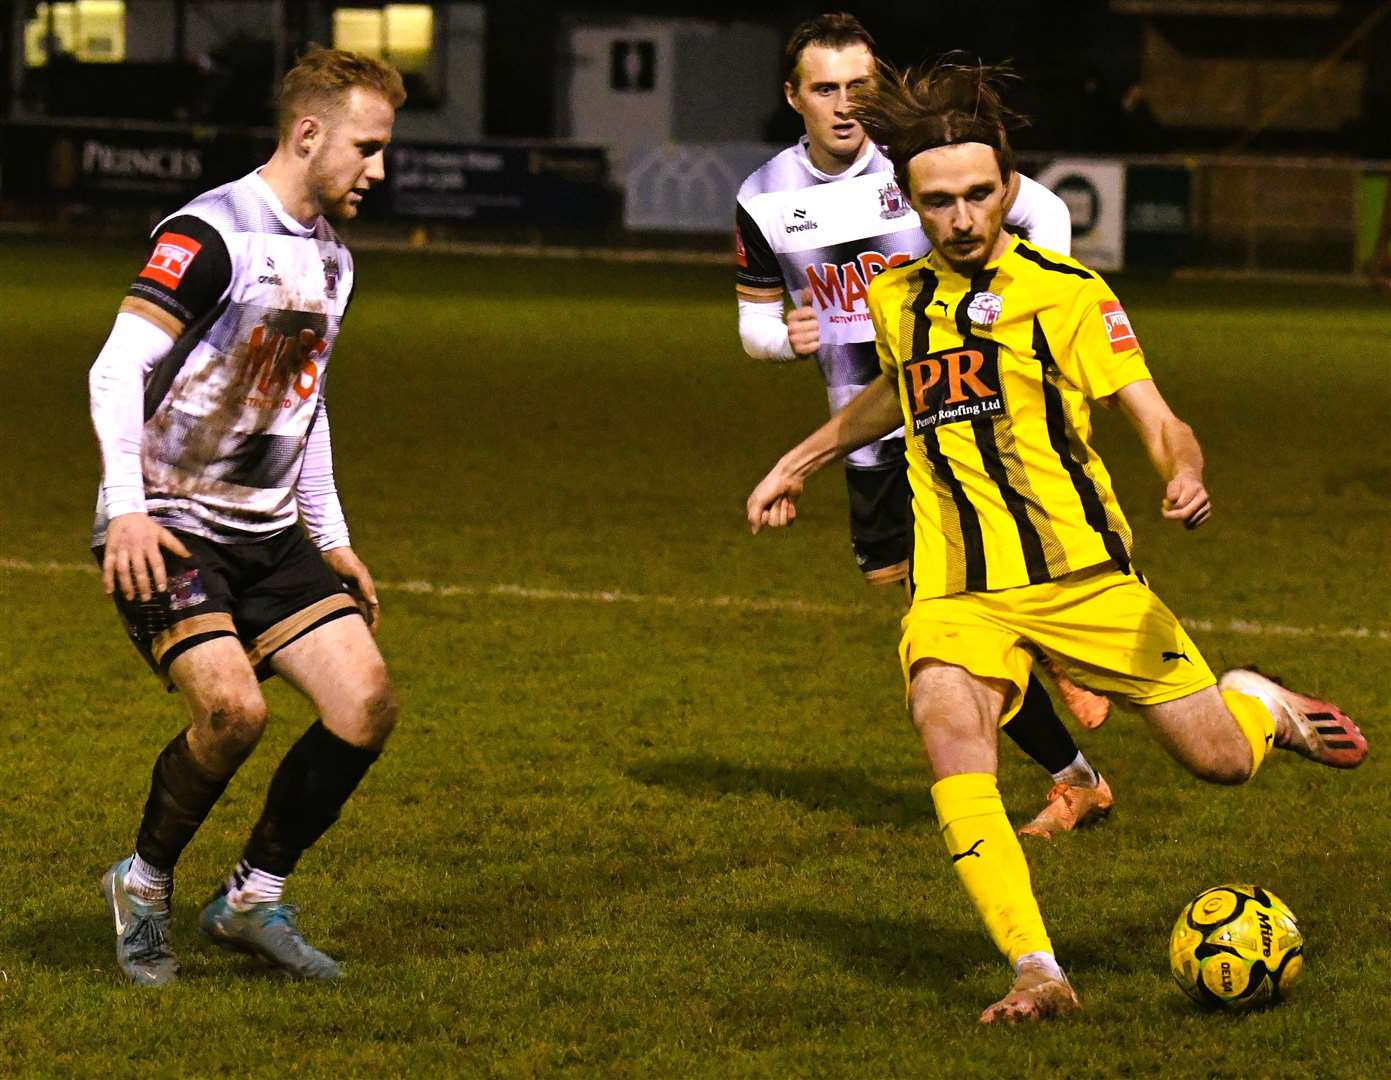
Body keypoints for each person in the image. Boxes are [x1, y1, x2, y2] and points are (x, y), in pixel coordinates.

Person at [745, 58, 1368, 1024]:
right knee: (947, 730)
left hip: (1085, 579)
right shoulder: (897, 296)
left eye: (978, 196)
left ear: (1008, 186)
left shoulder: (1067, 294)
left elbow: (1155, 417)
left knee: (1220, 764)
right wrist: (803, 459)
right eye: (938, 201)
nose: (959, 218)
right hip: (956, 588)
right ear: (909, 199)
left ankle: (1255, 703)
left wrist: (1182, 471)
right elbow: (901, 388)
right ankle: (1037, 970)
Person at [735, 13, 1111, 839]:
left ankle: (1069, 744)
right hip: (865, 436)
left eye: (858, 88)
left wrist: (1018, 314)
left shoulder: (921, 170)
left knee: (947, 630)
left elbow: (1044, 223)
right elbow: (754, 325)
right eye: (825, 89)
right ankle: (1071, 756)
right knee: (925, 615)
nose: (844, 106)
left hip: (965, 430)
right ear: (791, 96)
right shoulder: (762, 198)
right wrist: (782, 337)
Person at [89, 48, 406, 986]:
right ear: (309, 133)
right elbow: (116, 369)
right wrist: (127, 512)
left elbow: (301, 404)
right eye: (367, 147)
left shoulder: (332, 260)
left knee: (366, 704)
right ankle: (142, 884)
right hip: (171, 527)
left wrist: (334, 537)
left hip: (265, 536)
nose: (377, 171)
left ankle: (251, 900)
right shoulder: (212, 232)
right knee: (233, 712)